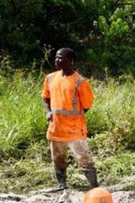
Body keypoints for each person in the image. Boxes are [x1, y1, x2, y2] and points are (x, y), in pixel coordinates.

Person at [42, 48, 98, 191]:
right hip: (56, 127)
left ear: (70, 61)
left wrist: (73, 116)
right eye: (56, 57)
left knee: (84, 159)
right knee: (58, 158)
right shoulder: (50, 78)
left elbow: (87, 105)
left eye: (60, 58)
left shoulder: (80, 82)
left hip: (75, 129)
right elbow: (45, 97)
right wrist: (48, 112)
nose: (56, 60)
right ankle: (62, 185)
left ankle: (94, 186)